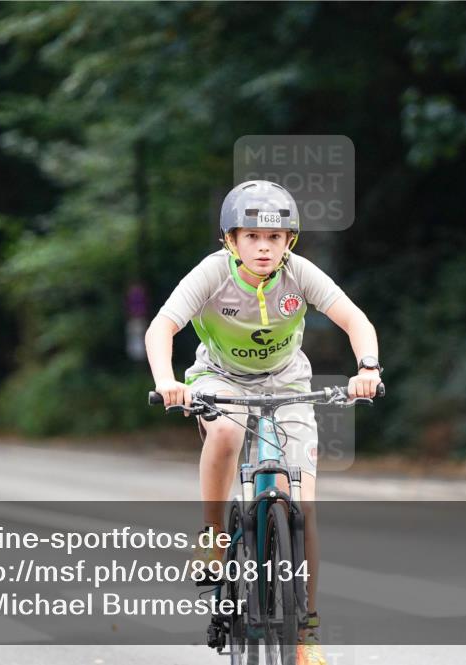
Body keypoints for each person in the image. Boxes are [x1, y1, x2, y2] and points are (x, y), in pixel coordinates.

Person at [145, 180, 383, 665]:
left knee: (305, 506)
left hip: (288, 381)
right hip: (219, 378)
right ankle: (213, 535)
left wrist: (368, 368)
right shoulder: (212, 274)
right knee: (228, 431)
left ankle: (306, 634)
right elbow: (161, 327)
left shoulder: (299, 275)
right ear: (230, 241)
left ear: (288, 242)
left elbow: (356, 321)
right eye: (250, 236)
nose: (263, 247)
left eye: (274, 238)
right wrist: (169, 381)